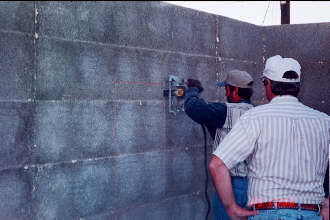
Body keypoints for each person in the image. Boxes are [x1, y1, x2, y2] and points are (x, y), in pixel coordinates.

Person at [209, 55, 330, 220]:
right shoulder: (324, 121)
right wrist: (328, 204)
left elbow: (217, 164)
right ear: (297, 86)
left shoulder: (255, 118)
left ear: (267, 84)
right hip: (312, 213)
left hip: (268, 213)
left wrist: (232, 208)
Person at [184, 70, 254, 220]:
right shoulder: (255, 113)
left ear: (233, 90)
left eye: (226, 88)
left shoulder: (225, 111)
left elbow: (193, 108)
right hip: (254, 185)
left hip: (231, 186)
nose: (225, 92)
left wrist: (193, 90)